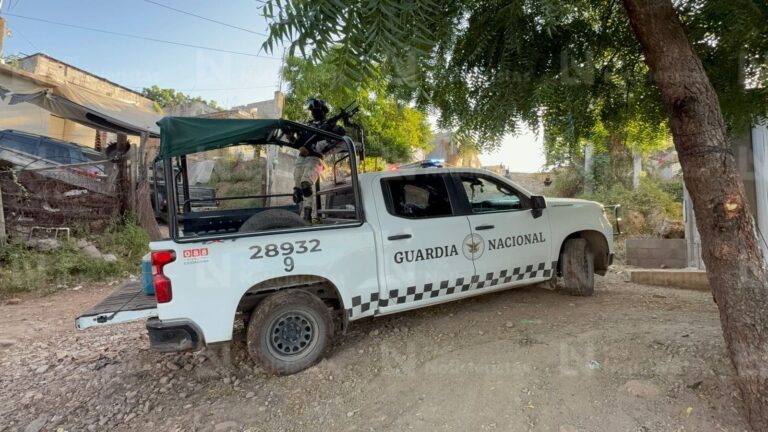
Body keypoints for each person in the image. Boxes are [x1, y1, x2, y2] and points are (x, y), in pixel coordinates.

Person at [293, 98, 345, 222]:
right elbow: (298, 142)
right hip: (301, 159)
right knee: (298, 192)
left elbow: (341, 134)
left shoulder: (329, 125)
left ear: (323, 110)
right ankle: (297, 217)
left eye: (316, 110)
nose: (314, 112)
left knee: (306, 185)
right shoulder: (308, 126)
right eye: (312, 110)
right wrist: (298, 144)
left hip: (315, 158)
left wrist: (325, 143)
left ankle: (307, 218)